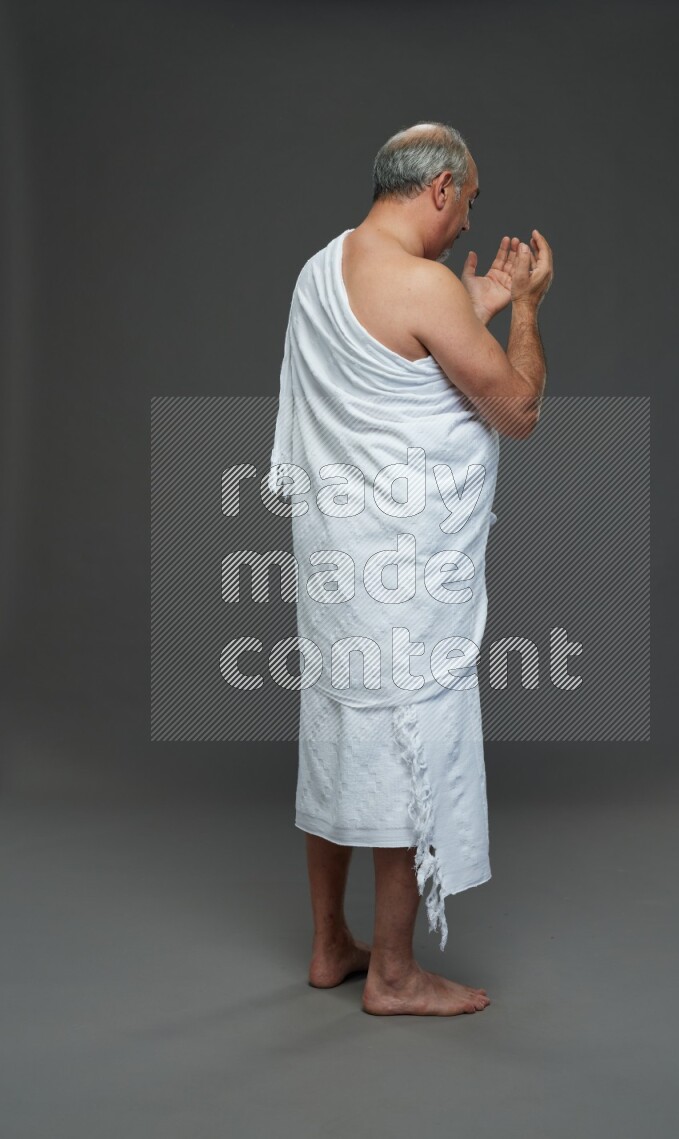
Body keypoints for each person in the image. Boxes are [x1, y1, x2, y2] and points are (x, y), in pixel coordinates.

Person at [268, 121, 552, 1015]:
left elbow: (405, 365)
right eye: (470, 198)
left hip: (336, 566)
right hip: (404, 571)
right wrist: (529, 308)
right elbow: (515, 410)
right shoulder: (424, 285)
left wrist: (469, 303)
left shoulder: (321, 269)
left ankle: (328, 944)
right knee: (404, 740)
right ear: (439, 188)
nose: (472, 218)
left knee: (339, 732)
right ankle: (392, 973)